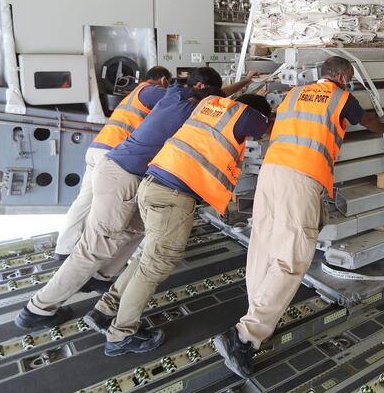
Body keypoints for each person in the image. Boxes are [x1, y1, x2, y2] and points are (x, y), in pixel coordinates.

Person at [14, 67, 255, 330]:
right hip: (123, 177)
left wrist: (244, 82)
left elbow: (216, 97)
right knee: (94, 248)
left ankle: (101, 276)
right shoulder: (189, 110)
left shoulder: (175, 94)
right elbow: (223, 107)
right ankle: (37, 308)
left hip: (129, 175)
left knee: (140, 229)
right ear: (200, 90)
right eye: (209, 94)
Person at [213, 56, 384, 378]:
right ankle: (244, 337)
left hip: (271, 172)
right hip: (302, 177)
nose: (349, 84)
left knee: (264, 245)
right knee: (293, 257)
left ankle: (256, 321)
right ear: (339, 76)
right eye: (349, 78)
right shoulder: (340, 97)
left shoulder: (294, 94)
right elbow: (367, 121)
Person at [82, 93, 272, 356]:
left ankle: (105, 310)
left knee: (146, 259)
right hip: (173, 197)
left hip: (152, 185)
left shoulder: (210, 105)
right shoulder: (245, 114)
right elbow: (269, 126)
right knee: (155, 265)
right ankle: (121, 334)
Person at [53, 66, 172, 262]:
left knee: (84, 202)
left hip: (97, 149)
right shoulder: (151, 91)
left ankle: (64, 248)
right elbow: (178, 102)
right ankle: (103, 256)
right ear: (164, 81)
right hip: (113, 154)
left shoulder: (134, 94)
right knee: (120, 209)